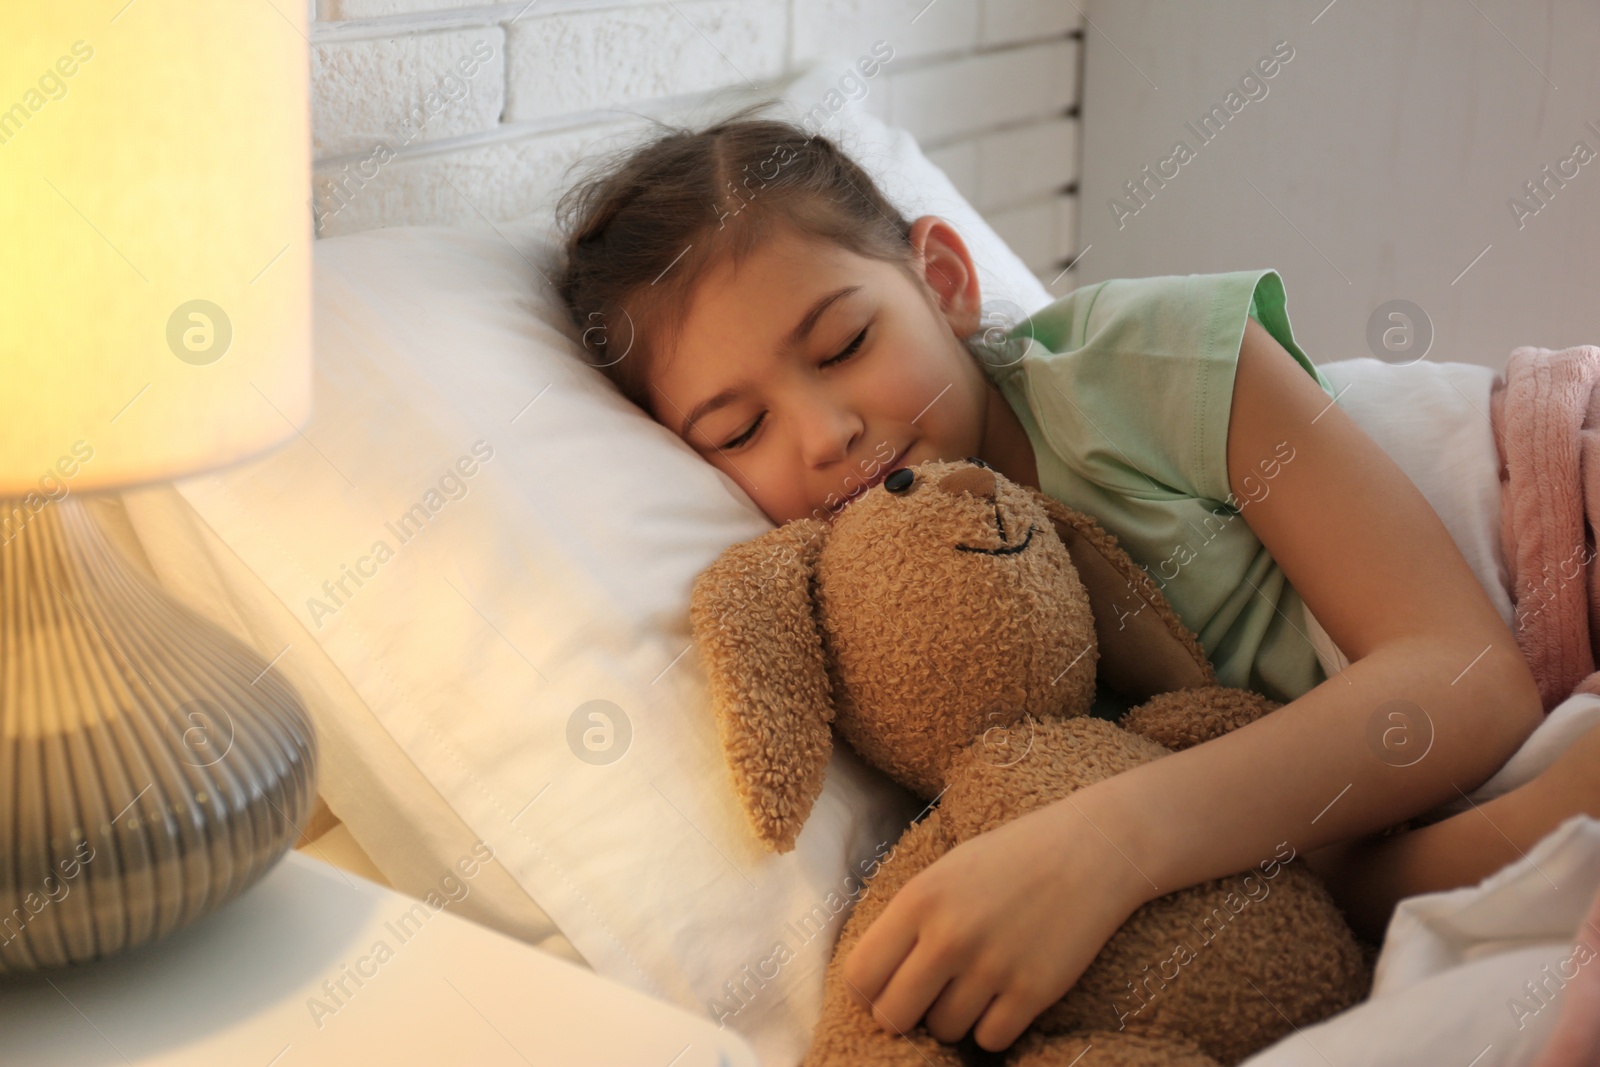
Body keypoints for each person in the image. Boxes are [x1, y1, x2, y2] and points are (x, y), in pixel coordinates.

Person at [551, 101, 1600, 1056]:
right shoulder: (919, 636)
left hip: (1552, 517)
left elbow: (1463, 675)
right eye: (739, 430)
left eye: (844, 343)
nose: (826, 433)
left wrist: (1113, 840)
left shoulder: (1140, 363)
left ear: (946, 283)